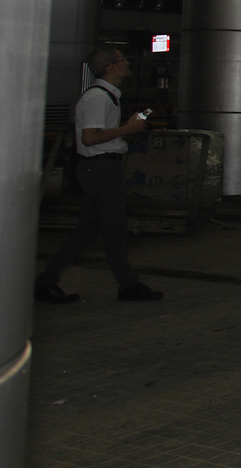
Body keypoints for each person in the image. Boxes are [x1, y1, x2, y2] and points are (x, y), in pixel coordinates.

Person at [37, 48, 162, 304]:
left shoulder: (106, 97)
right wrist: (127, 129)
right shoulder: (98, 98)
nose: (127, 63)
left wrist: (126, 127)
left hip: (100, 169)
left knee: (89, 230)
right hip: (100, 170)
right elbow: (90, 137)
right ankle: (128, 285)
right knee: (114, 229)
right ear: (111, 68)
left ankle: (45, 283)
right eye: (123, 60)